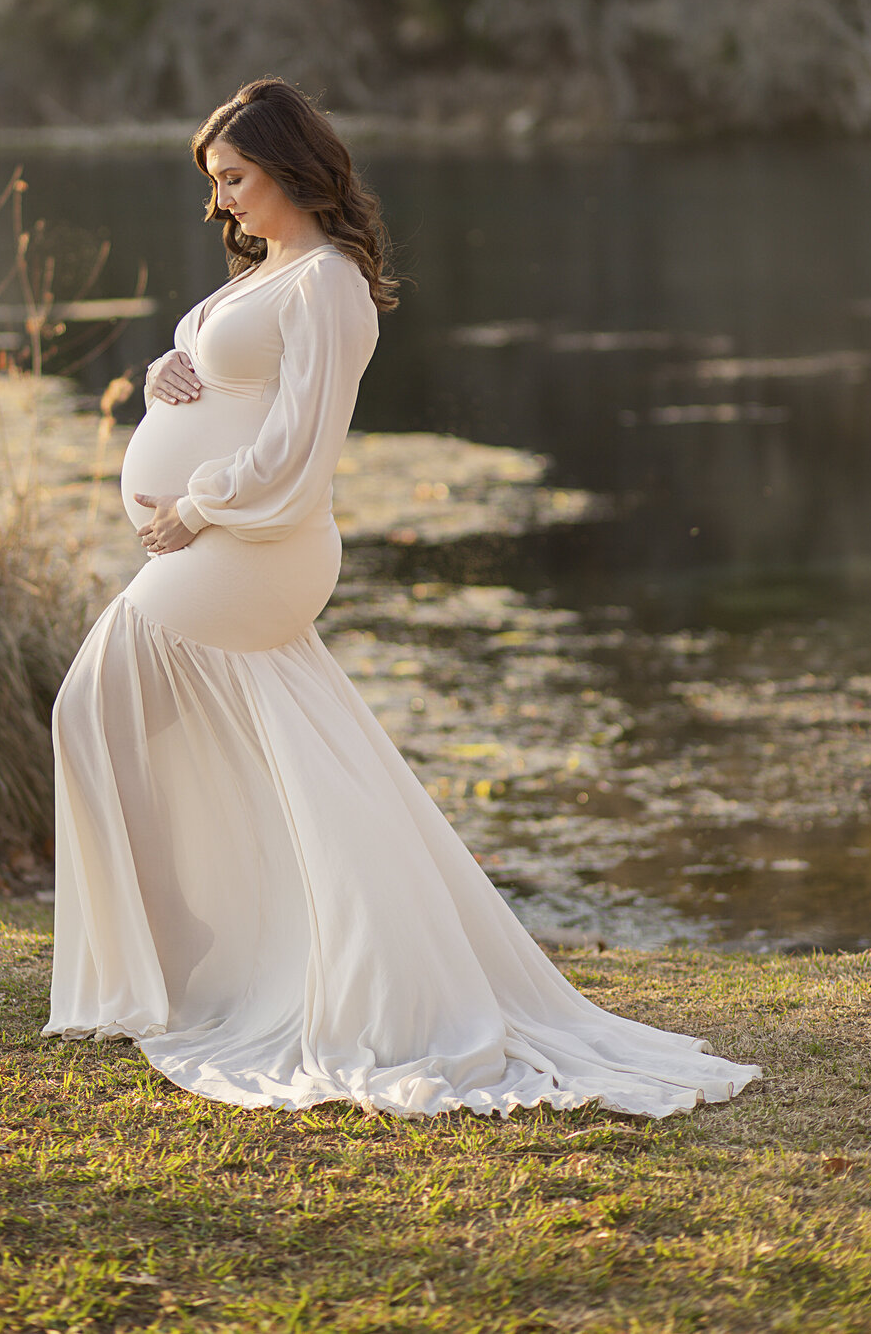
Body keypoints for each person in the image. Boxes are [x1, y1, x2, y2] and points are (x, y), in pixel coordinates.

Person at [44, 76, 762, 1117]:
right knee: (276, 751)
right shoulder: (273, 269)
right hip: (219, 541)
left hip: (252, 543)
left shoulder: (328, 282)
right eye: (215, 183)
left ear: (291, 167)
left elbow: (300, 451)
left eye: (236, 178)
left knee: (92, 709)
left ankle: (182, 973)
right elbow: (226, 372)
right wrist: (168, 370)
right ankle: (212, 970)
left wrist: (195, 505)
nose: (224, 202)